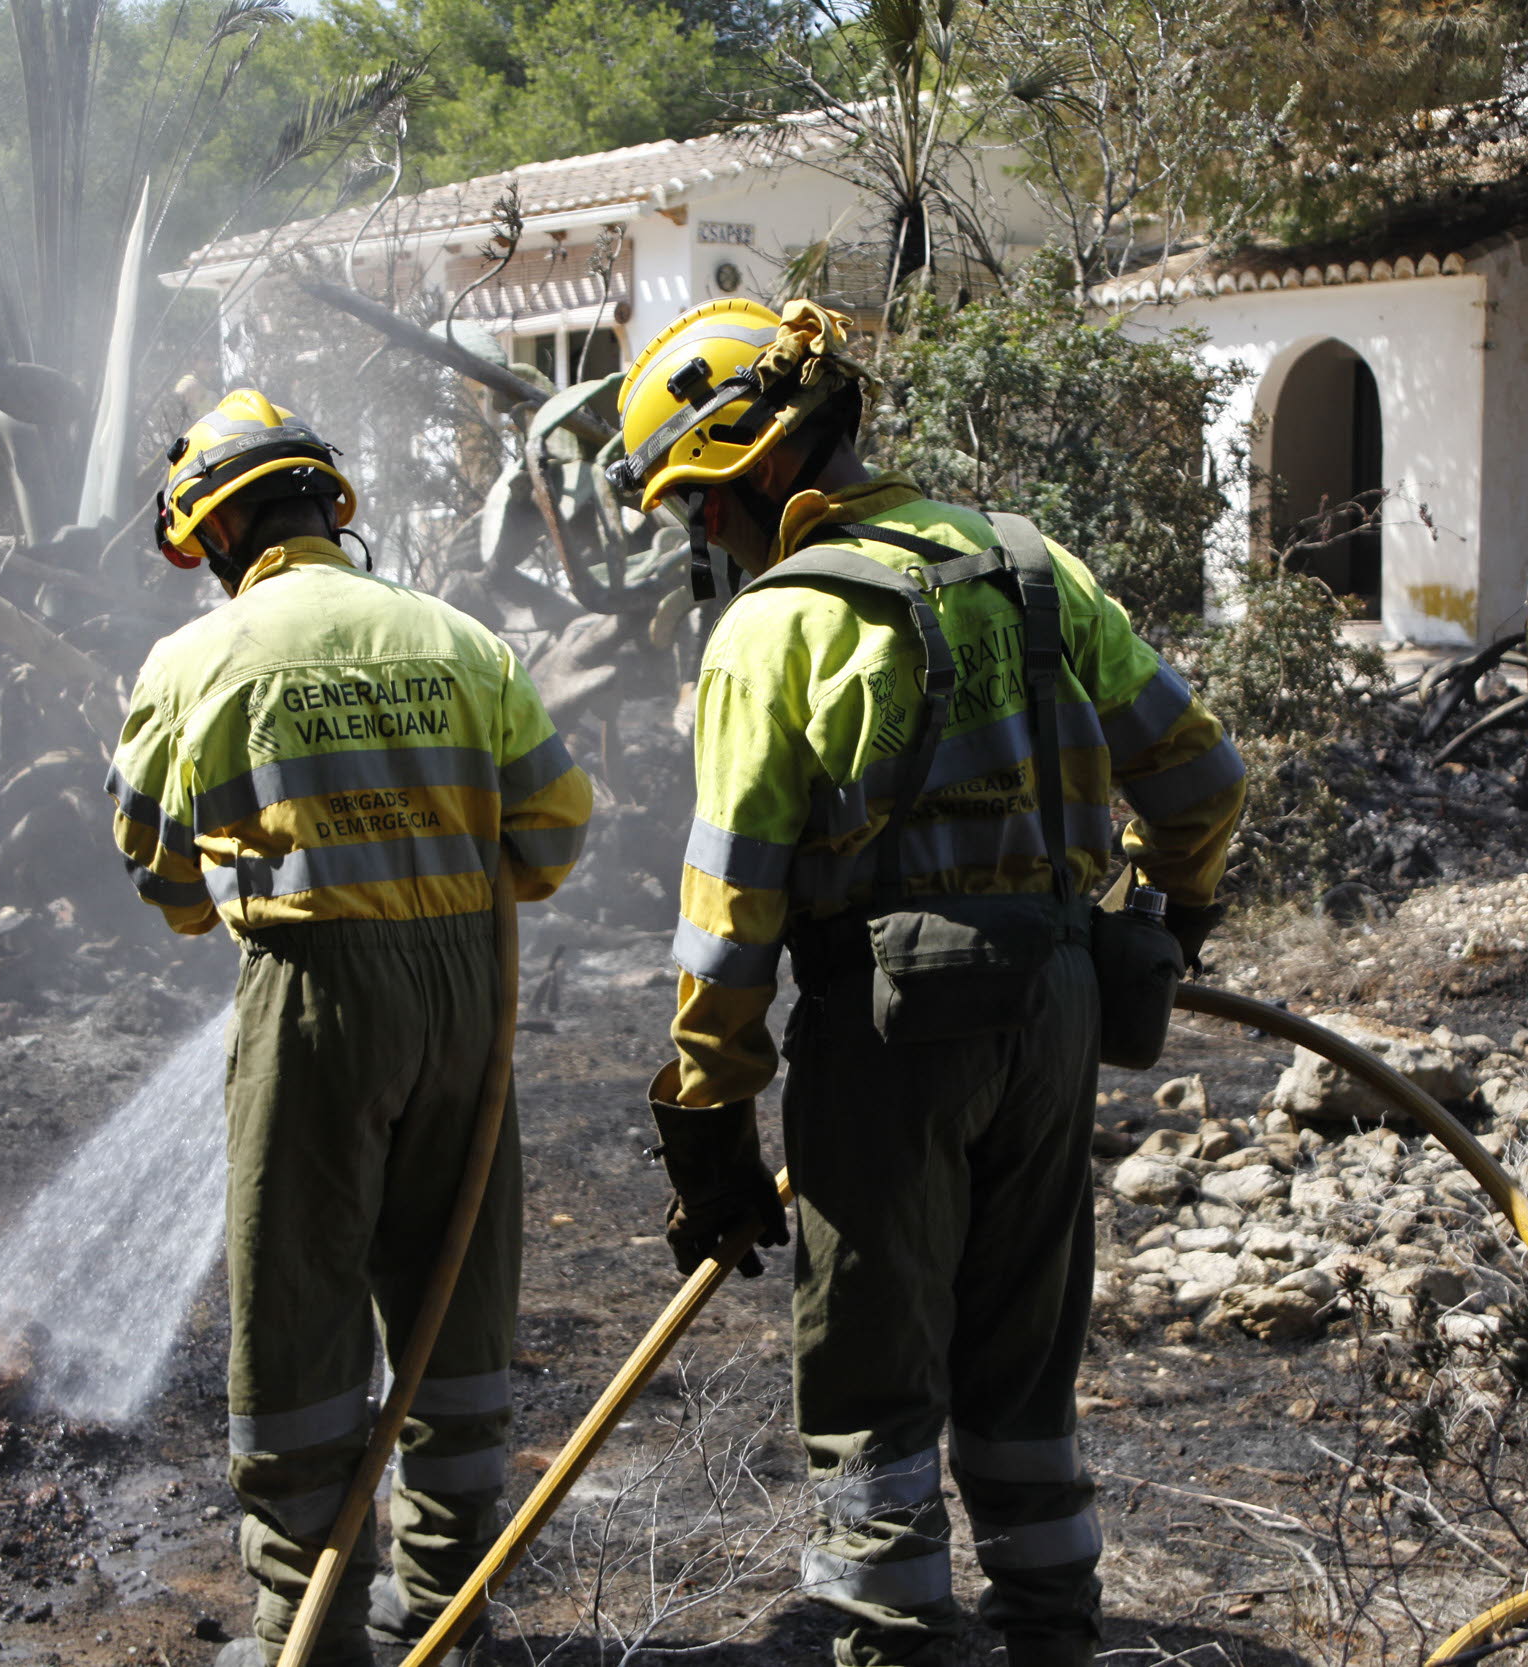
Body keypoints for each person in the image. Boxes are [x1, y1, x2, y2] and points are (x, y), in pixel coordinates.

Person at [607, 300, 1246, 1667]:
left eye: (704, 508)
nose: (705, 540)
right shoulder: (1028, 567)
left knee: (873, 1399)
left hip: (891, 1035)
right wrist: (1171, 911)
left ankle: (893, 1644)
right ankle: (1050, 1641)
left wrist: (710, 1109)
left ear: (768, 466)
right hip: (1058, 1005)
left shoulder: (773, 632)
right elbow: (1200, 776)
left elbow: (730, 917)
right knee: (1021, 1377)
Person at [105, 389, 592, 1666]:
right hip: (466, 1000)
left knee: (299, 1306)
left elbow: (162, 886)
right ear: (333, 506)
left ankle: (303, 1635)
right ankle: (442, 1612)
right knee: (454, 1301)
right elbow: (550, 837)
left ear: (210, 541)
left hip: (311, 998)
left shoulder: (190, 663)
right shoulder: (459, 637)